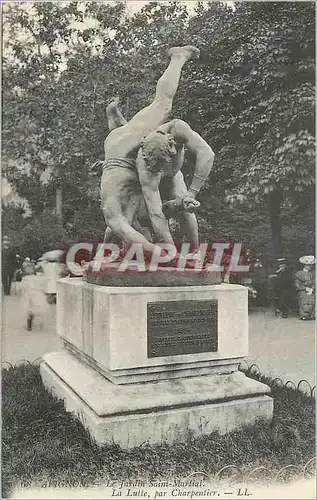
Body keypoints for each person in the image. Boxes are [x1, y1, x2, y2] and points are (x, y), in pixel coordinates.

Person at [101, 46, 216, 256]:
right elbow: (155, 214)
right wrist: (169, 252)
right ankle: (114, 117)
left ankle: (179, 57)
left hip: (123, 139)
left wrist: (192, 193)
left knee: (163, 103)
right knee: (127, 215)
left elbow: (207, 154)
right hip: (123, 152)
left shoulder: (174, 127)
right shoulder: (143, 170)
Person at [21, 264, 48, 331]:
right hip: (38, 295)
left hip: (30, 295)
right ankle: (40, 325)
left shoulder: (25, 278)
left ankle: (29, 326)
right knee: (39, 310)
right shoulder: (39, 277)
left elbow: (22, 287)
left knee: (30, 311)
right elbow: (43, 286)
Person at [294, 255, 315, 320]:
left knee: (313, 296)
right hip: (302, 290)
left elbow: (315, 282)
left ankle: (312, 315)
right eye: (308, 265)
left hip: (311, 289)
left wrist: (312, 288)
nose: (310, 266)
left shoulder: (313, 273)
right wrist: (305, 288)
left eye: (311, 265)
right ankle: (304, 315)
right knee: (304, 296)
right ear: (304, 265)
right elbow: (297, 285)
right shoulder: (299, 273)